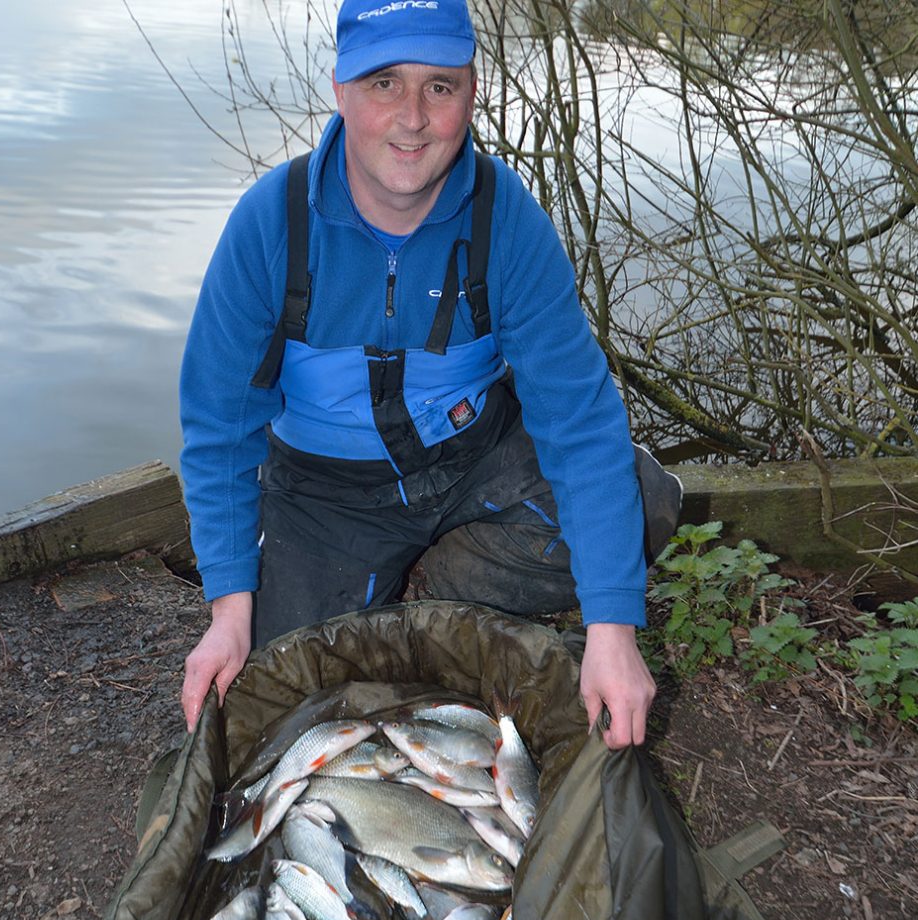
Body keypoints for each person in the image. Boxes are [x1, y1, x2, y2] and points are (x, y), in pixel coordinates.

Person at [178, 0, 681, 748]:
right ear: (341, 90)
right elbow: (220, 427)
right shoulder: (271, 223)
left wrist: (613, 627)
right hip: (328, 493)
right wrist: (228, 608)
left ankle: (435, 585)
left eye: (439, 87)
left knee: (639, 505)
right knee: (280, 683)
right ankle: (383, 585)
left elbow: (576, 418)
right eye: (384, 83)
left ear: (472, 94)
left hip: (476, 461)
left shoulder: (504, 217)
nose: (411, 118)